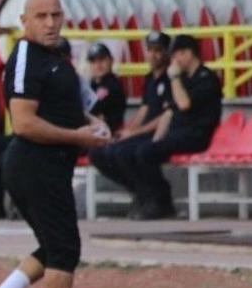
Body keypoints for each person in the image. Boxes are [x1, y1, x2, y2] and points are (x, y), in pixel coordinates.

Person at [0, 0, 110, 288]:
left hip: (49, 164)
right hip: (34, 164)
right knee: (65, 248)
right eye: (41, 16)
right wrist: (78, 136)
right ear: (25, 21)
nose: (51, 22)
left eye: (56, 14)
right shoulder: (24, 57)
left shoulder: (54, 57)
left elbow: (66, 106)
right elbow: (23, 123)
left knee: (54, 245)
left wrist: (92, 124)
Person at [121, 34, 221, 220]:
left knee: (145, 153)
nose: (174, 61)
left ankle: (160, 200)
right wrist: (157, 139)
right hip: (178, 133)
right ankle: (150, 197)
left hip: (196, 135)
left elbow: (183, 104)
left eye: (177, 55)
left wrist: (174, 78)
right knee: (139, 150)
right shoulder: (182, 79)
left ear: (188, 54)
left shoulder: (206, 78)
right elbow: (169, 112)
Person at [88, 31, 172, 218]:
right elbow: (144, 109)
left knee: (130, 152)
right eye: (150, 50)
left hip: (162, 132)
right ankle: (140, 191)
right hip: (144, 132)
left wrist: (136, 132)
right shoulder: (150, 77)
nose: (153, 55)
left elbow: (168, 114)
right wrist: (129, 131)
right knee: (101, 153)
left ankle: (157, 197)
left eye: (158, 50)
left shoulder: (171, 78)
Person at [86, 42, 126, 136]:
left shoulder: (112, 85)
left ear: (111, 60)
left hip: (108, 134)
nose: (98, 65)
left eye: (101, 59)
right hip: (95, 131)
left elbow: (93, 109)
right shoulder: (93, 83)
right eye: (93, 61)